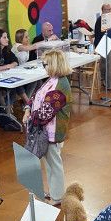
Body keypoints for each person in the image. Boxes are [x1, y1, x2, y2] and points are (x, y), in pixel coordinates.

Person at [31, 50, 73, 201]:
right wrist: (26, 108)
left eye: (45, 64)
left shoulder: (60, 86)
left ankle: (58, 196)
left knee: (54, 165)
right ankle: (55, 191)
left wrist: (30, 117)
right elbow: (36, 96)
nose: (44, 66)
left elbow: (45, 113)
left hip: (53, 132)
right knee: (50, 165)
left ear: (55, 64)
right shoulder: (52, 80)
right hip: (47, 131)